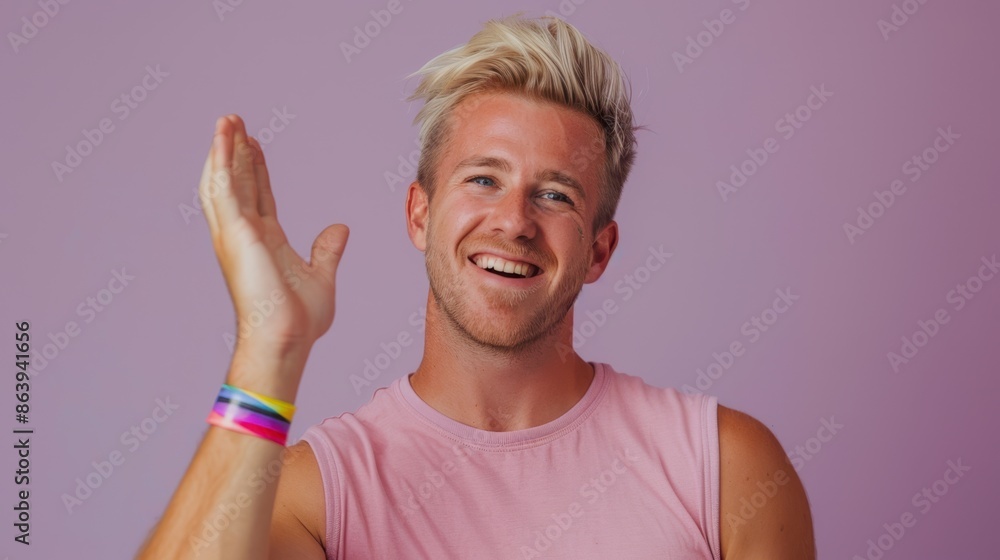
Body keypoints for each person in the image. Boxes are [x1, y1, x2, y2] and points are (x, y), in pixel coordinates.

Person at [137, 14, 815, 560]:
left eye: (555, 195)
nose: (514, 221)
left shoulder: (725, 470)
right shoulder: (317, 494)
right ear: (419, 214)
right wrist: (269, 347)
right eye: (483, 179)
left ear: (599, 250)